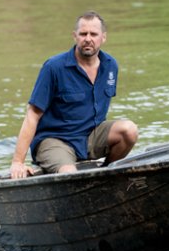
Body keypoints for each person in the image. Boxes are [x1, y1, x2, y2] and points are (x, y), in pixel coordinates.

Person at [10, 11, 138, 179]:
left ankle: (106, 174)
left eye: (93, 34)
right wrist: (18, 161)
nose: (88, 38)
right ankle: (75, 176)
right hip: (56, 140)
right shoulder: (54, 67)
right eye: (83, 34)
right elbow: (32, 115)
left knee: (129, 130)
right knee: (70, 175)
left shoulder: (110, 65)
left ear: (103, 37)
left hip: (90, 135)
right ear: (75, 36)